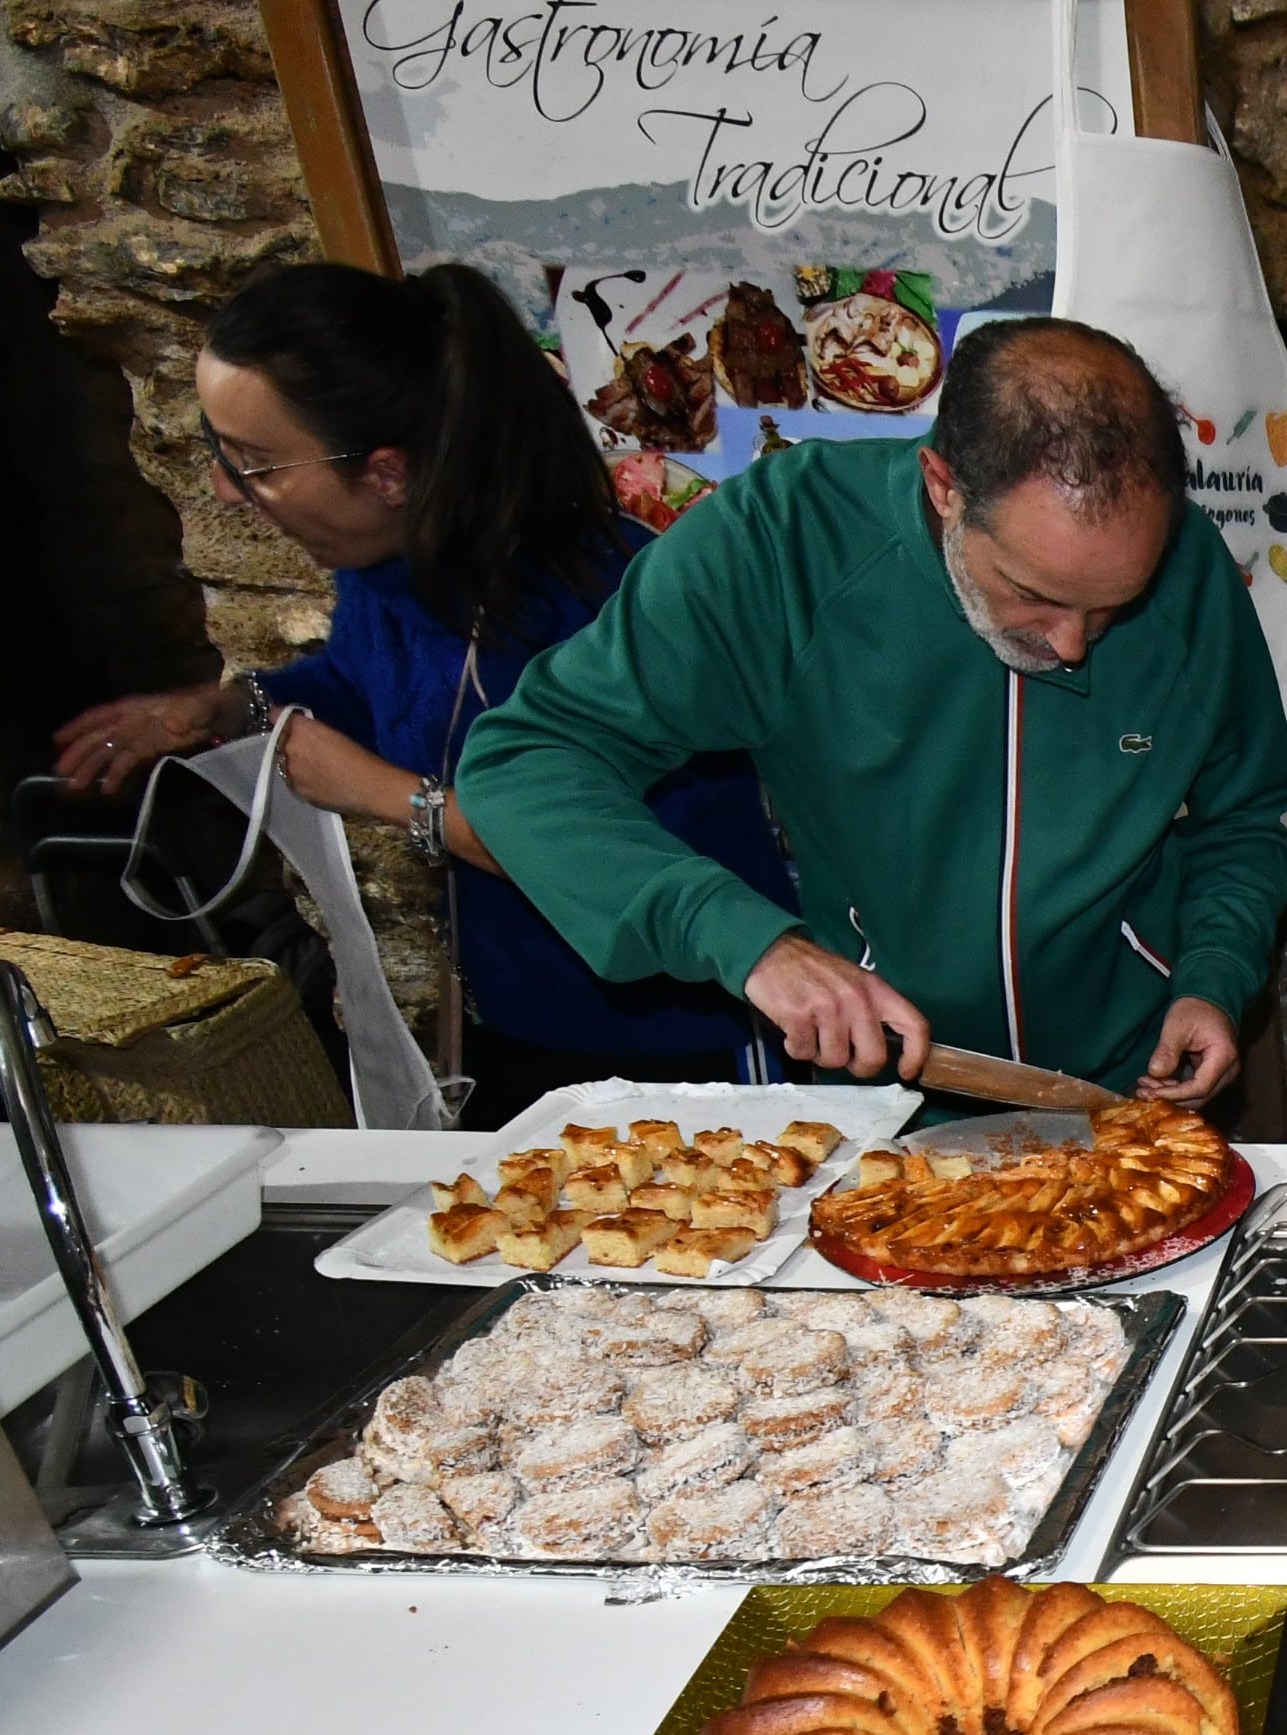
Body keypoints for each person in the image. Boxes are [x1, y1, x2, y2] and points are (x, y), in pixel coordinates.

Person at [454, 319, 1287, 1105]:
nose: (1074, 645)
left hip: (1123, 1093)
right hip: (891, 1104)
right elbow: (527, 764)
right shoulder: (781, 545)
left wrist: (1211, 976)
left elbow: (1242, 818)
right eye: (1035, 595)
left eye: (1117, 604)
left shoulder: (1187, 564)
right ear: (943, 486)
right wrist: (746, 940)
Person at [53, 261, 795, 1128]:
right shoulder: (392, 570)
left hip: (677, 1039)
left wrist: (377, 791)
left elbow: (618, 857)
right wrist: (231, 706)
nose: (223, 487)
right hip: (521, 1013)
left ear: (388, 474)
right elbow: (365, 687)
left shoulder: (600, 605)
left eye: (253, 462)